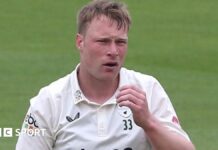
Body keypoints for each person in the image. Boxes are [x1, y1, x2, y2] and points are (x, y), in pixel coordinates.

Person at [16, 0, 195, 149]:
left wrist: (148, 122)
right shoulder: (50, 102)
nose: (113, 51)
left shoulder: (146, 89)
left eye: (120, 42)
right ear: (80, 42)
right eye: (103, 41)